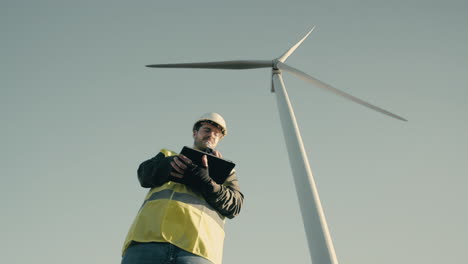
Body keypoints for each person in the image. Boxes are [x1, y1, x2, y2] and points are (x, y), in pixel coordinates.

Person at [121, 113, 244, 264]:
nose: (211, 135)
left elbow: (235, 205)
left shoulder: (225, 171)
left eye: (216, 134)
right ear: (195, 133)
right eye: (206, 130)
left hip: (197, 248)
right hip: (147, 242)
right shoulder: (168, 155)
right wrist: (170, 165)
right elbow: (144, 174)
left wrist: (208, 183)